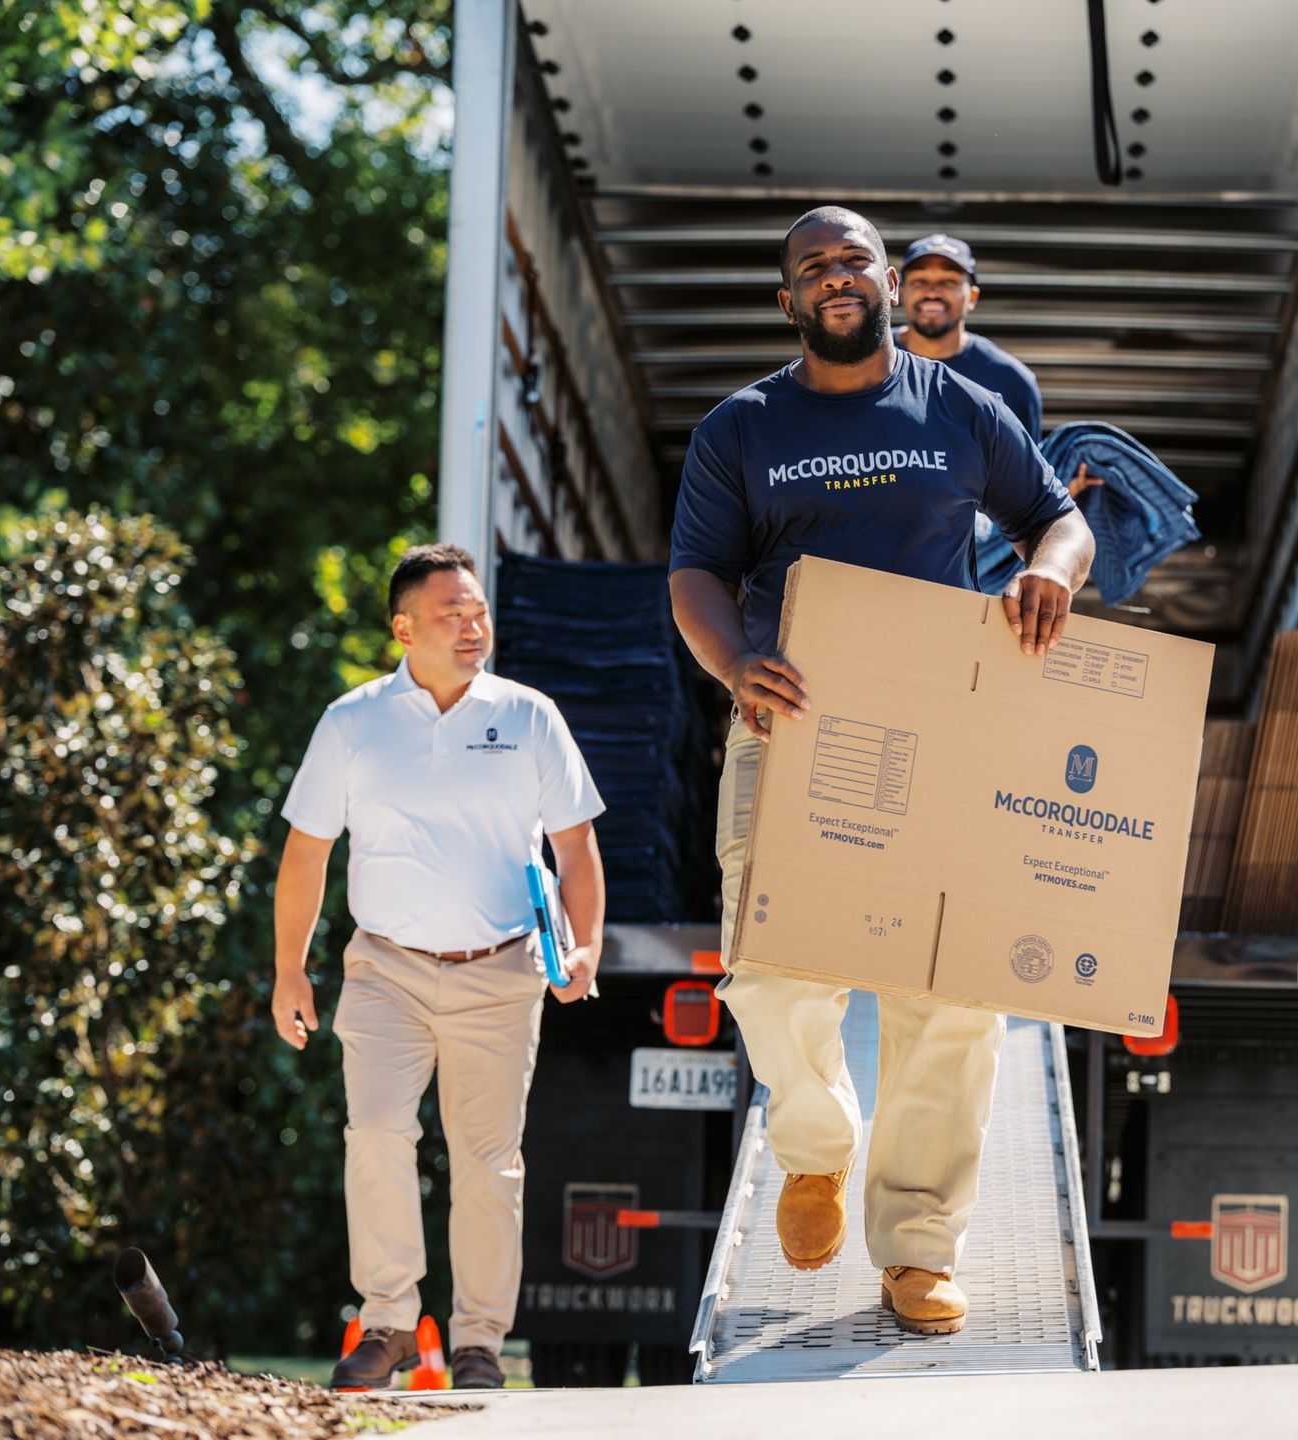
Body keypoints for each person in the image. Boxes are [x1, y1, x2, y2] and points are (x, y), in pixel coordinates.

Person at [667, 205, 1095, 1336]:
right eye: (814, 267)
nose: (837, 277)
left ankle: (917, 1243)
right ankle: (815, 1150)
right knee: (767, 969)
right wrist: (734, 665)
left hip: (943, 730)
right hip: (790, 722)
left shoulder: (962, 408)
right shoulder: (741, 428)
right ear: (789, 302)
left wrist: (1048, 572)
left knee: (950, 992)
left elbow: (1059, 520)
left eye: (855, 258)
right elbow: (698, 576)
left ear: (892, 285)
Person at [270, 543, 606, 1389]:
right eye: (452, 613)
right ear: (403, 628)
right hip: (385, 971)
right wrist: (290, 970)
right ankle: (384, 1326)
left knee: (489, 1163)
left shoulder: (529, 717)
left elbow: (576, 845)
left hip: (501, 972)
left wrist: (586, 941)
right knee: (377, 1135)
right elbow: (306, 852)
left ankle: (479, 1346)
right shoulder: (352, 723)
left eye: (479, 611)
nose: (472, 626)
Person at [895, 231, 1098, 497]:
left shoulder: (1011, 380)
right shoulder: (866, 359)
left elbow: (1024, 482)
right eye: (920, 280)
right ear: (898, 291)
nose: (933, 292)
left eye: (949, 281)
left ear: (973, 297)